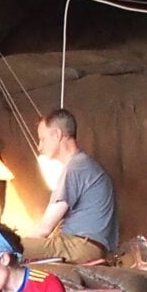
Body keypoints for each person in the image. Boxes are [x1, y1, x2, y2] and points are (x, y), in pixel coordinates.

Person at [24, 107, 118, 264]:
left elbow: (45, 227)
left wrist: (15, 245)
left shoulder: (76, 168)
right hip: (87, 246)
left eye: (42, 139)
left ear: (57, 135)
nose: (39, 146)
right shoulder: (84, 165)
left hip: (79, 247)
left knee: (3, 249)